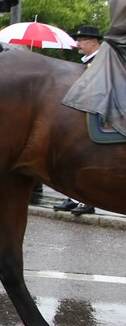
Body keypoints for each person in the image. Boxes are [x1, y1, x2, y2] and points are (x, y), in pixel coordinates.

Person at [54, 25, 103, 215]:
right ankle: (76, 198)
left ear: (93, 41)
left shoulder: (100, 60)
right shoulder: (88, 60)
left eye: (82, 40)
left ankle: (87, 199)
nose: (78, 43)